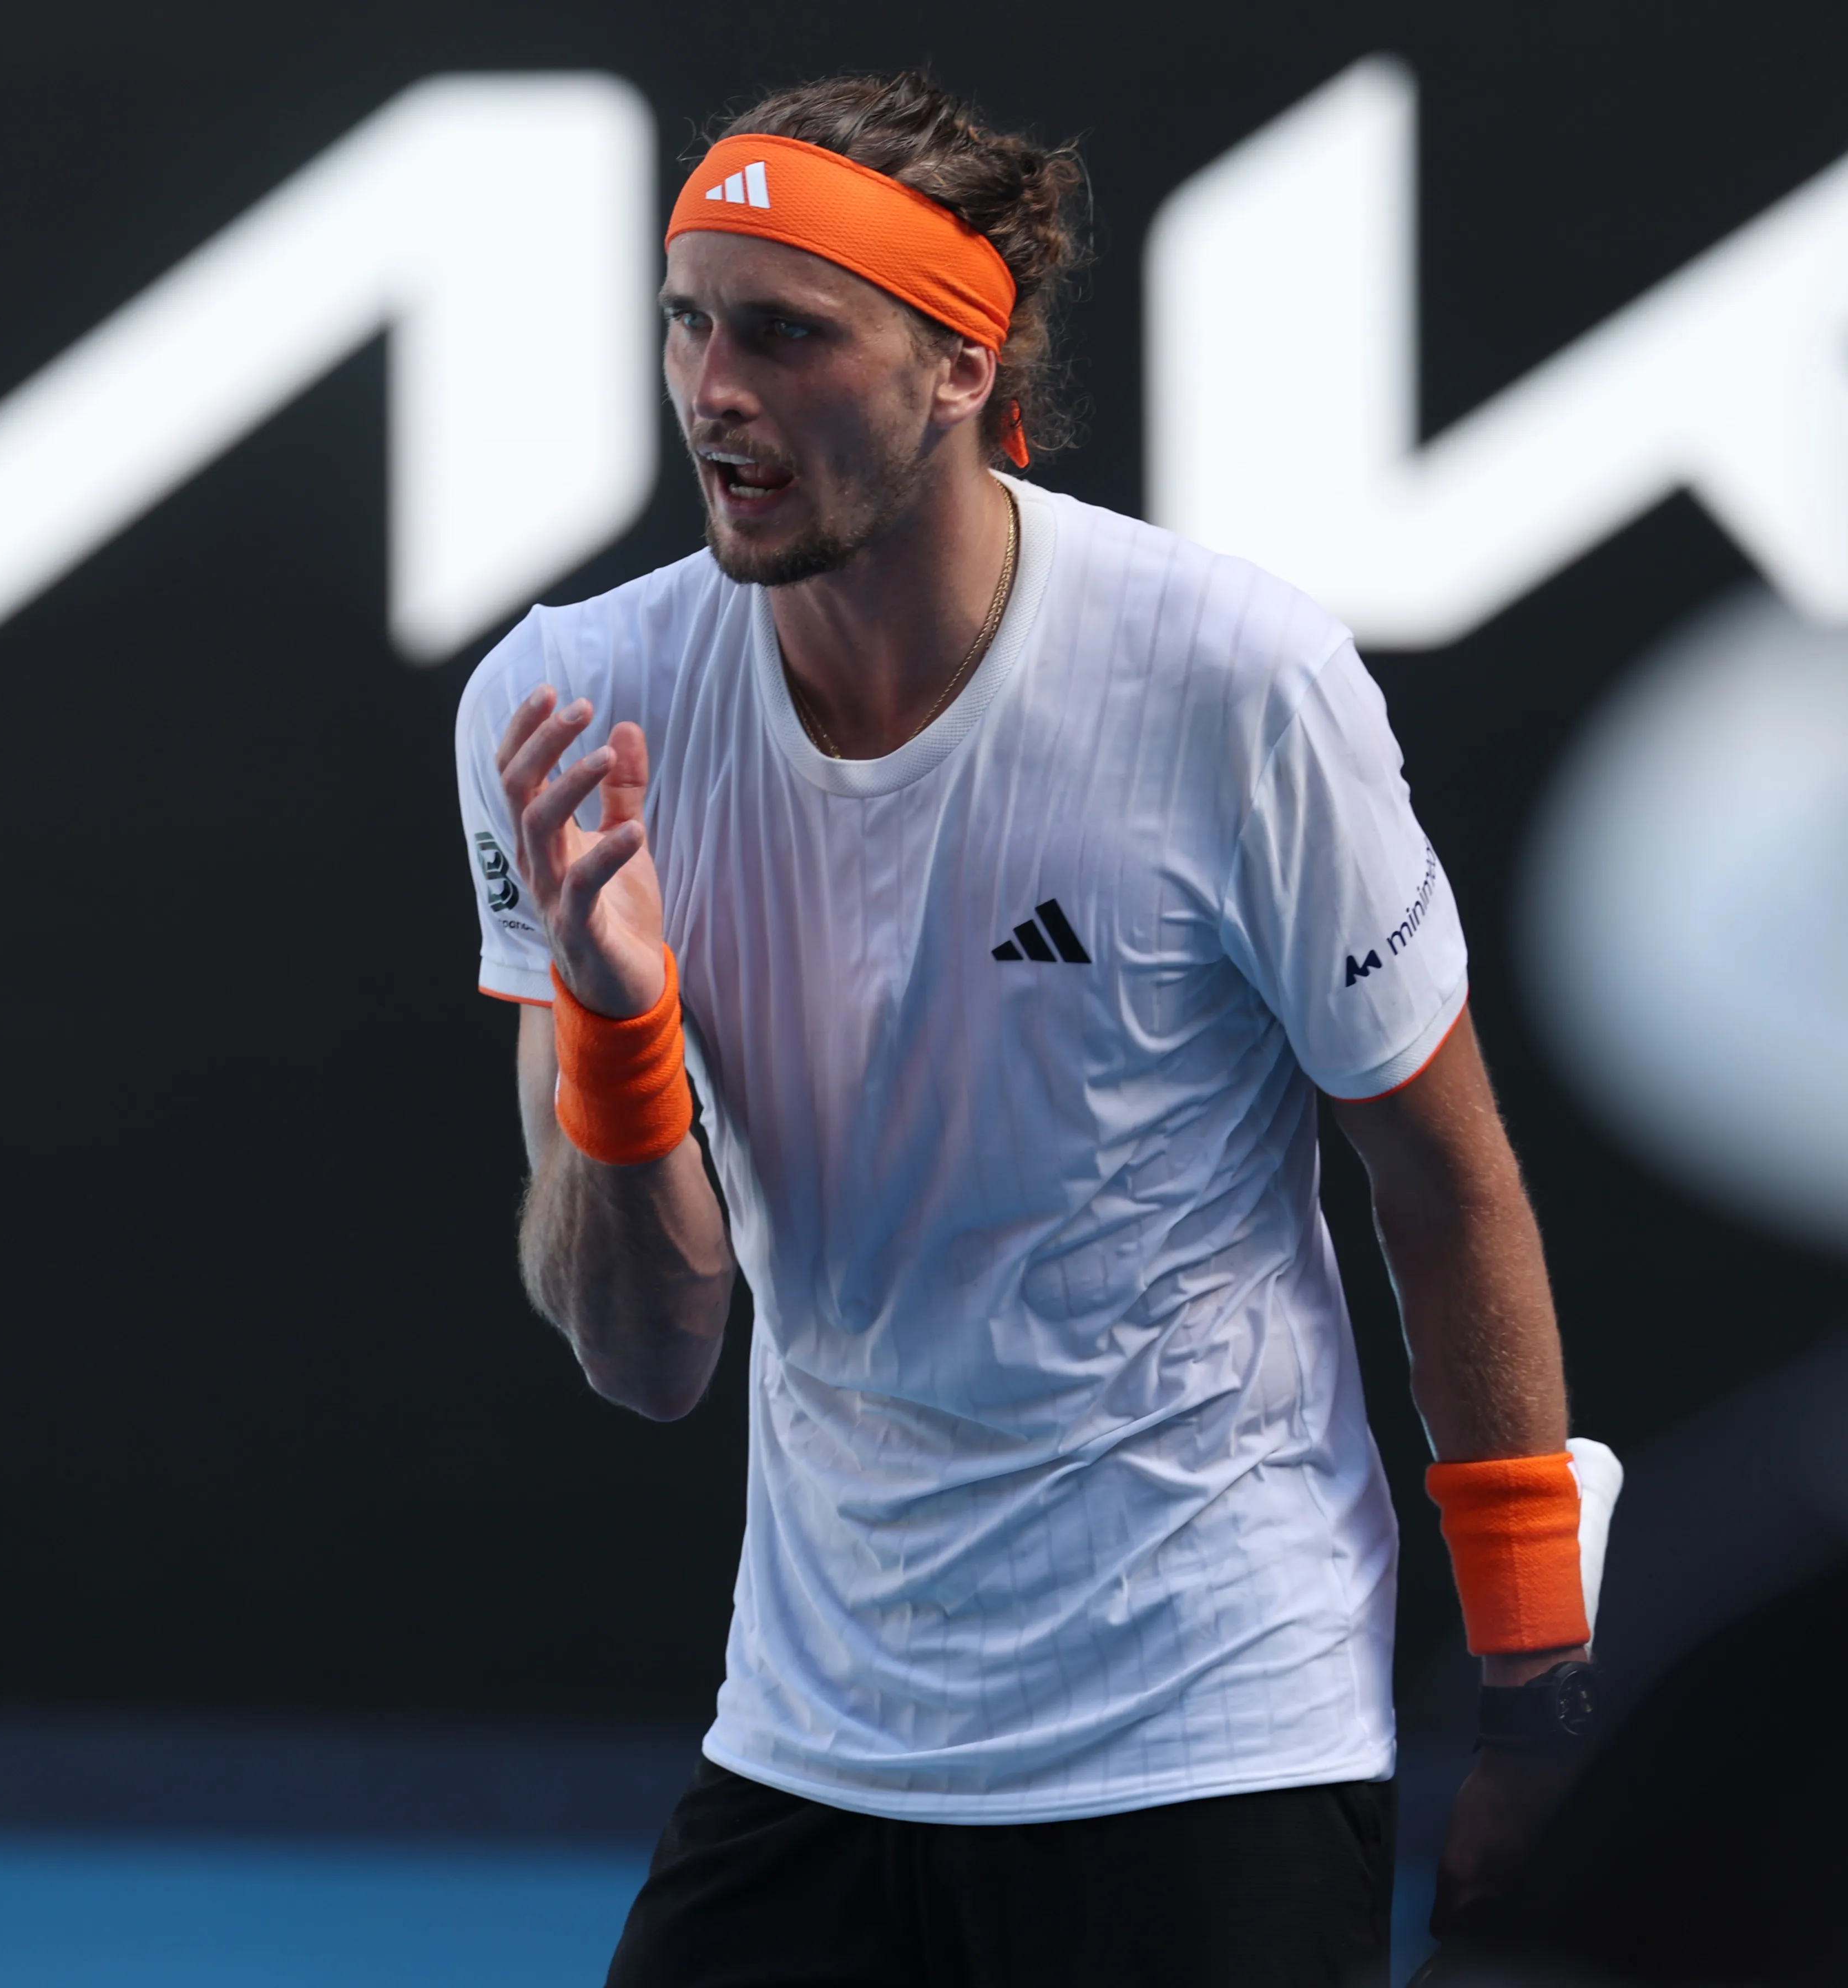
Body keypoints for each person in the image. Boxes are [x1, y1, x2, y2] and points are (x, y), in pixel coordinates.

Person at [453, 74, 1603, 1986]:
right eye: (686, 320)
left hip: (1213, 1731)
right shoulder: (571, 703)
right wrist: (617, 1024)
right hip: (812, 1740)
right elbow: (645, 1357)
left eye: (784, 333)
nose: (712, 391)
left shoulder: (1235, 681)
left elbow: (1444, 1182)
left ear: (959, 367)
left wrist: (1535, 1698)